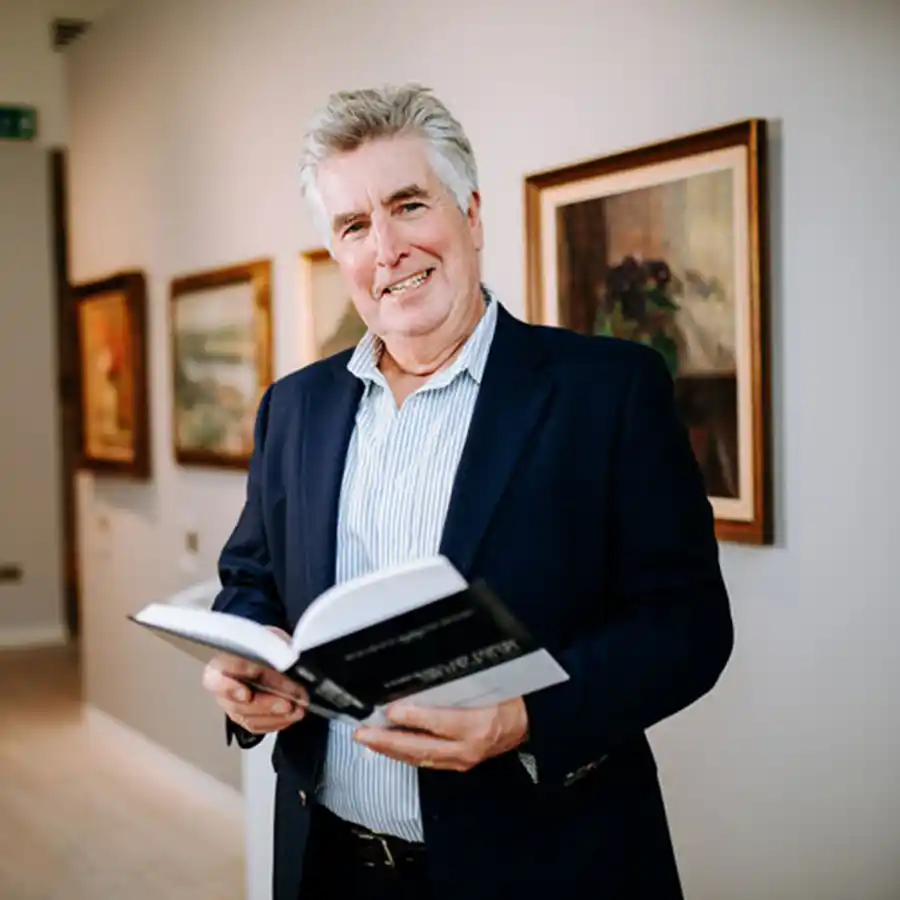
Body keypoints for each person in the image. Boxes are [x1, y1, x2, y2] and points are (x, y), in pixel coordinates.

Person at [202, 83, 734, 900]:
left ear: (472, 215)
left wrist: (527, 718)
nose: (387, 248)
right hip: (329, 865)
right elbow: (251, 582)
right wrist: (242, 669)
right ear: (338, 252)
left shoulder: (605, 391)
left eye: (409, 205)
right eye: (353, 226)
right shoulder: (294, 408)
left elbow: (690, 626)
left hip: (545, 867)